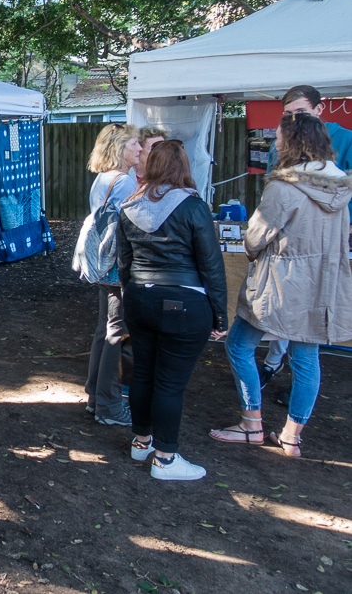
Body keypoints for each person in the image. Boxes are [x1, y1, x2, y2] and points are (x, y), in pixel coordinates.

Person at [209, 112, 352, 457]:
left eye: (278, 137)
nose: (274, 143)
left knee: (239, 346)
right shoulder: (340, 189)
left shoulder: (285, 186)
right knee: (307, 359)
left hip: (280, 285)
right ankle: (291, 437)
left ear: (294, 143)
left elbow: (255, 238)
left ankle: (251, 424)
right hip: (323, 286)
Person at [117, 140, 227, 481]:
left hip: (139, 298)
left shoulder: (129, 205)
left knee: (143, 373)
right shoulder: (193, 207)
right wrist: (220, 315)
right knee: (169, 383)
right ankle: (165, 459)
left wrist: (132, 297)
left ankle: (141, 441)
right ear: (183, 166)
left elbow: (124, 263)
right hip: (184, 304)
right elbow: (212, 266)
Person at [259, 85, 352, 391]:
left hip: (328, 240)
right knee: (288, 318)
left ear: (319, 110)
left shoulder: (345, 140)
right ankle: (274, 361)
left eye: (300, 113)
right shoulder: (280, 146)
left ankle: (291, 399)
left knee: (307, 336)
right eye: (288, 114)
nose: (293, 119)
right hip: (291, 247)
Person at [84, 123, 141, 426]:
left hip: (104, 266)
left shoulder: (104, 179)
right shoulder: (124, 182)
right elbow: (129, 228)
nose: (140, 149)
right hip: (118, 267)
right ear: (120, 147)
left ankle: (96, 398)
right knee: (117, 335)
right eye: (135, 144)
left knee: (105, 332)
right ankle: (108, 407)